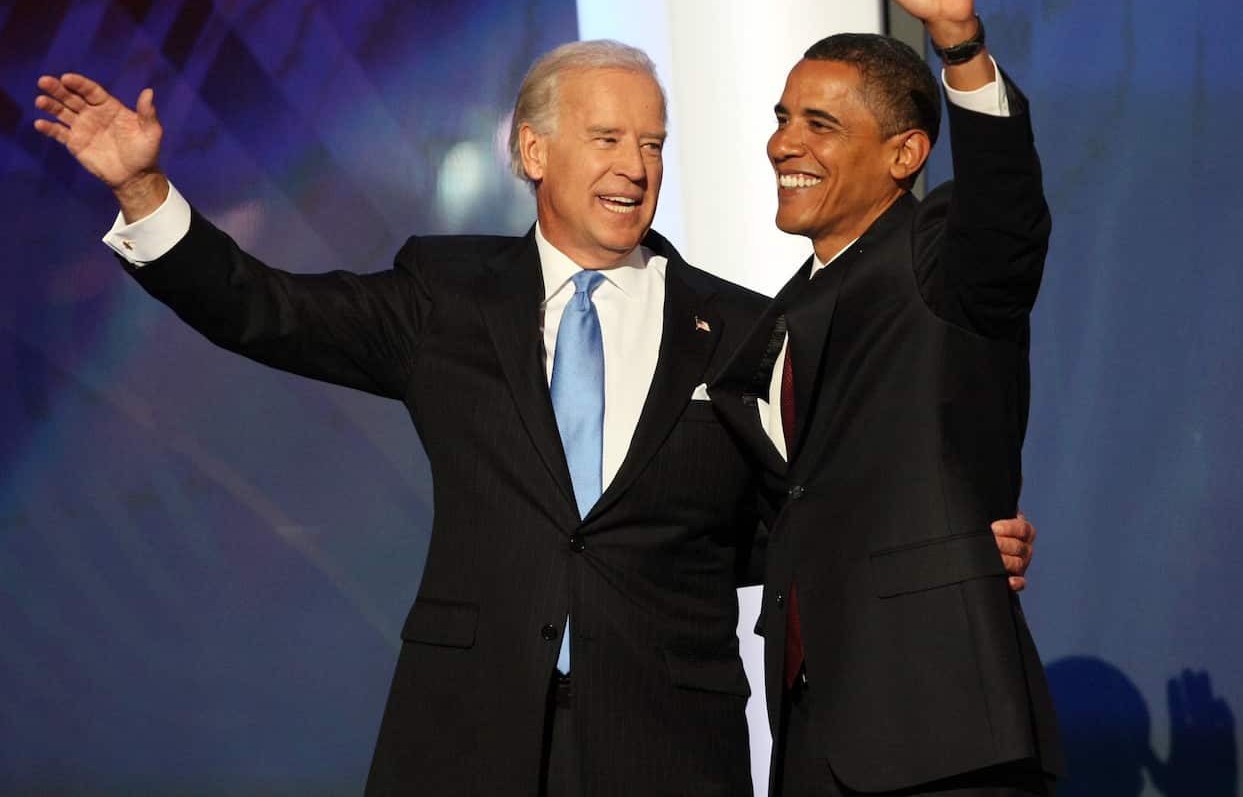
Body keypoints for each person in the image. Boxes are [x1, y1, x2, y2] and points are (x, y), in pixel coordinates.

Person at [34, 39, 1035, 792]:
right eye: (606, 138)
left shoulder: (741, 325)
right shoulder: (445, 295)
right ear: (530, 149)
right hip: (465, 730)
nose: (635, 166)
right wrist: (145, 189)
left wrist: (938, 536)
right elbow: (265, 308)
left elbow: (793, 511)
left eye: (651, 143)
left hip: (664, 740)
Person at [709, 0, 1064, 796]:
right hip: (812, 742)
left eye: (820, 124)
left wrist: (959, 44)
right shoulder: (773, 324)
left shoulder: (937, 250)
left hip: (941, 730)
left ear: (905, 153)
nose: (785, 143)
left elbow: (1007, 217)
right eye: (783, 118)